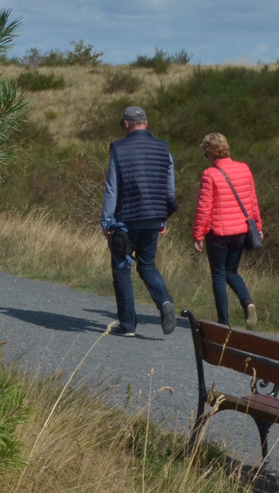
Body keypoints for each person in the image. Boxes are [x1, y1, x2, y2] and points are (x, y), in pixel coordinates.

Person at [100, 105, 180, 336]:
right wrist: (164, 216)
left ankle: (127, 326)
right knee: (147, 265)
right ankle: (165, 302)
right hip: (154, 216)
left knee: (122, 269)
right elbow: (169, 186)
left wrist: (106, 222)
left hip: (126, 218)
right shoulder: (163, 148)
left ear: (126, 124)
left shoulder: (119, 148)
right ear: (145, 122)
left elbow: (112, 187)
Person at [192, 132, 261, 329]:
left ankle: (223, 321)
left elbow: (204, 207)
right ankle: (247, 302)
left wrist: (198, 234)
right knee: (231, 271)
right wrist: (259, 227)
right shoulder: (244, 169)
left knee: (218, 275)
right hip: (241, 230)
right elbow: (252, 201)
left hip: (218, 233)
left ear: (209, 152)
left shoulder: (209, 174)